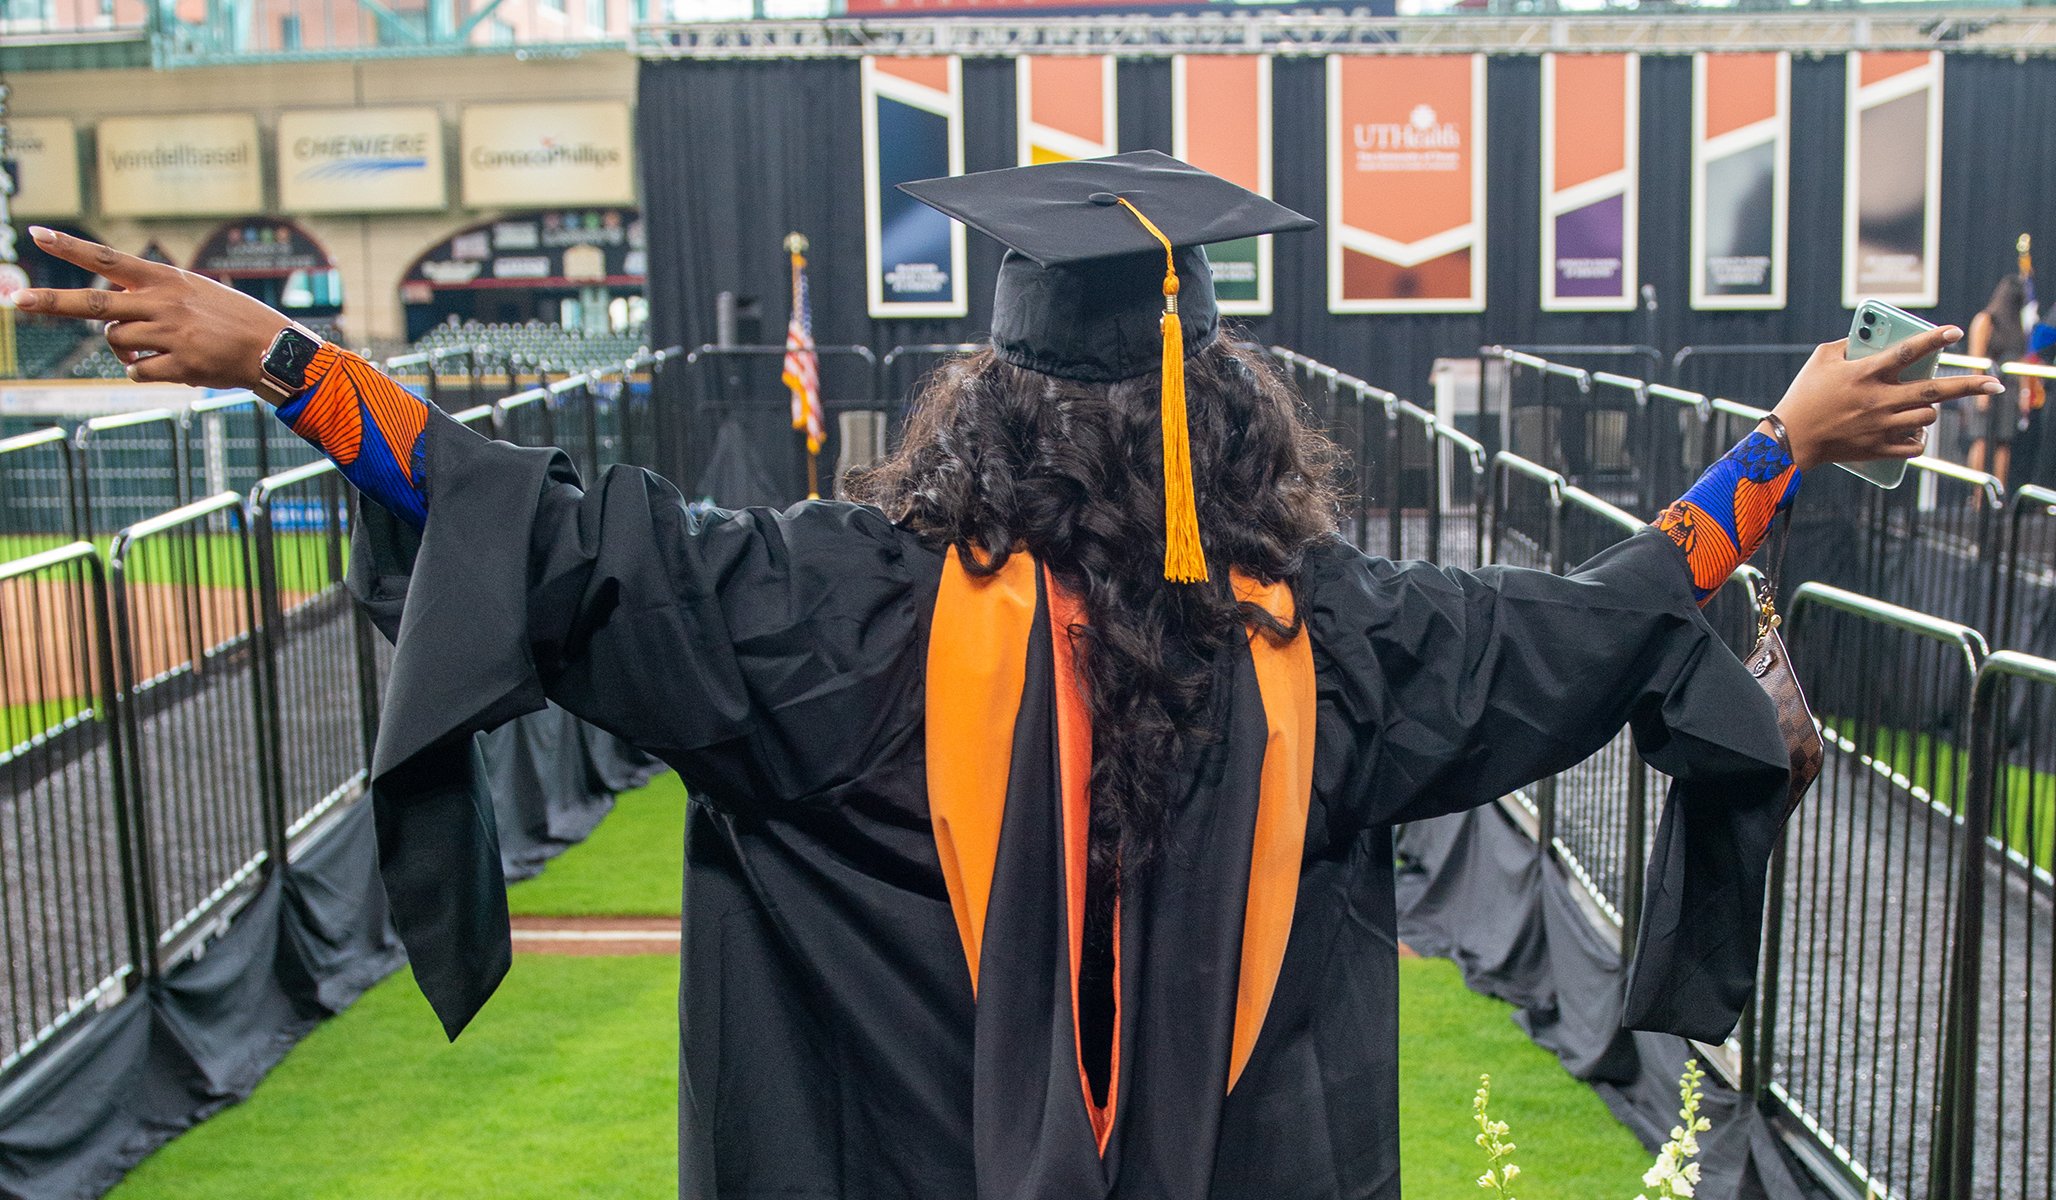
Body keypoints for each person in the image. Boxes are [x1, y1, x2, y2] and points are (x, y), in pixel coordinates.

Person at [14, 152, 1996, 1199]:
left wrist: (289, 362)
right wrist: (1782, 445)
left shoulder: (824, 616)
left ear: (980, 402)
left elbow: (534, 522)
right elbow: (1594, 617)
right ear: (1219, 406)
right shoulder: (1342, 652)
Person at [1966, 275, 2030, 484]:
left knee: (2004, 442)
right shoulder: (1986, 320)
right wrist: (1979, 392)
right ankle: (1978, 494)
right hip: (1985, 384)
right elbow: (1976, 357)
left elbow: (2021, 361)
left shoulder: (2017, 327)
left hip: (2009, 387)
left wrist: (2023, 392)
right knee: (1981, 439)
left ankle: (1997, 494)